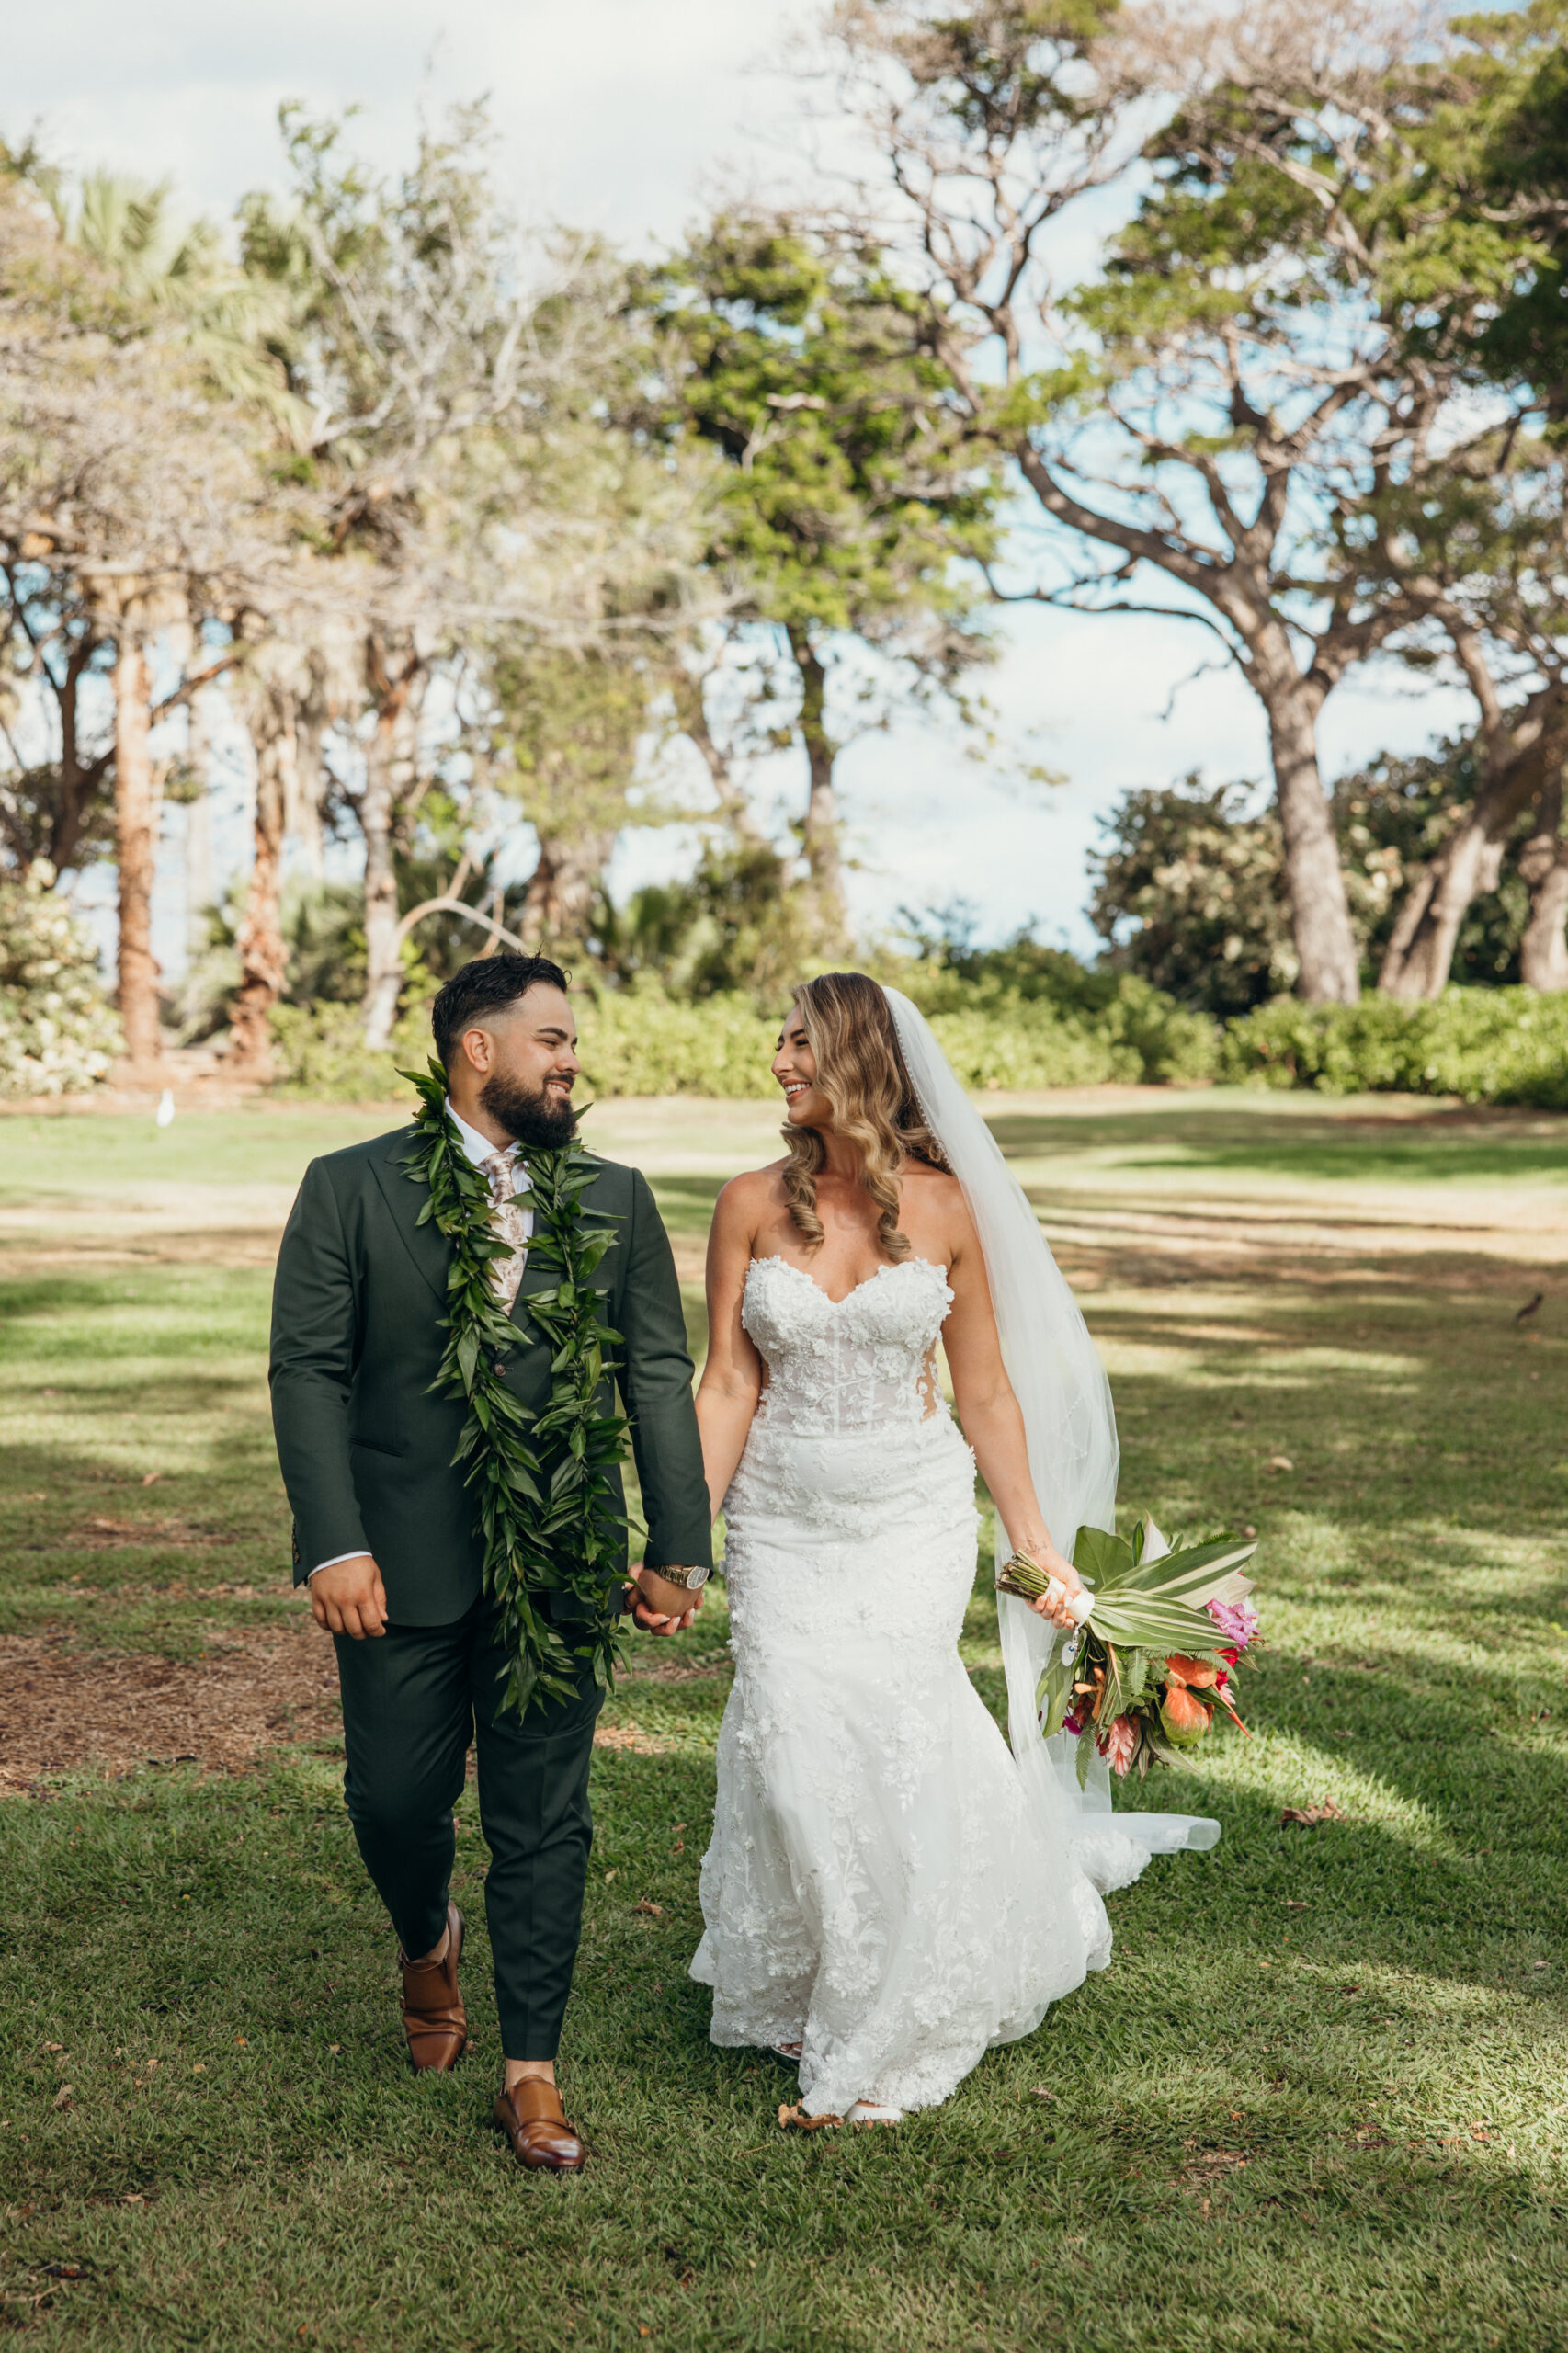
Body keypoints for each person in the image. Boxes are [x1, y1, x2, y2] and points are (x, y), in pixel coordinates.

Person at [689, 972, 1216, 2125]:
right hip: (780, 1514)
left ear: (861, 1064)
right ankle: (815, 1963)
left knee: (890, 1723)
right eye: (776, 1043)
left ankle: (886, 2009)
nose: (777, 1063)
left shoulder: (943, 1209)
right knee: (788, 1738)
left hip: (907, 1514)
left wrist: (1036, 1546)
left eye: (799, 1045)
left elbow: (982, 1395)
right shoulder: (743, 1205)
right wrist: (685, 1537)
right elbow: (727, 1380)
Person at [269, 954, 711, 2173]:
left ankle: (532, 2069)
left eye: (572, 1044)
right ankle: (426, 1935)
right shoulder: (350, 1188)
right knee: (396, 1800)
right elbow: (308, 1371)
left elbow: (656, 1377)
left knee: (543, 1816)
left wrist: (678, 1545)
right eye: (551, 1041)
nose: (571, 1061)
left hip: (562, 1560)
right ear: (476, 1050)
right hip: (394, 1562)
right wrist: (336, 1541)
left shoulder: (617, 1200)